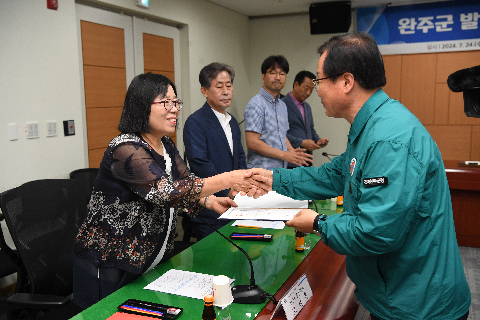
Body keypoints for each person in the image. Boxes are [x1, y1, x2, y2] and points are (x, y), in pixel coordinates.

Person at [251, 32, 471, 320]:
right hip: (396, 291)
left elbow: (376, 232)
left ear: (346, 81)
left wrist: (317, 222)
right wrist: (274, 179)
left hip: (418, 305)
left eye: (319, 80)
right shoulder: (372, 125)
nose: (316, 89)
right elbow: (331, 175)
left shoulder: (388, 140)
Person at [73, 73, 269, 309]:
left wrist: (208, 202)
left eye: (176, 102)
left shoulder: (166, 144)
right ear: (142, 104)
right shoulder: (125, 148)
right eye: (166, 102)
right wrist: (229, 178)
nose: (175, 109)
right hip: (109, 262)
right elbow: (166, 192)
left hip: (149, 258)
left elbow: (186, 183)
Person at [183, 63, 247, 240]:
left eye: (229, 85)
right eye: (219, 86)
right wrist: (227, 190)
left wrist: (242, 186)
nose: (226, 91)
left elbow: (240, 156)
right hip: (209, 210)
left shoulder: (233, 121)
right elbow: (199, 163)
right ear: (204, 91)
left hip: (235, 204)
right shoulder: (195, 122)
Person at [244, 55, 313, 170]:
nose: (278, 77)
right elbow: (252, 142)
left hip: (280, 172)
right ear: (263, 77)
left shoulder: (282, 105)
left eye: (282, 74)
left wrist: (293, 153)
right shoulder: (256, 104)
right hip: (260, 172)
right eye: (273, 73)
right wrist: (284, 155)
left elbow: (282, 135)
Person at [282, 70, 329, 168]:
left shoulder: (307, 107)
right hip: (290, 161)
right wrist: (302, 142)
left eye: (311, 90)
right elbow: (279, 134)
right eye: (306, 88)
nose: (308, 93)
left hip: (307, 160)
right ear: (296, 84)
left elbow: (310, 129)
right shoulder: (281, 105)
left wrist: (317, 140)